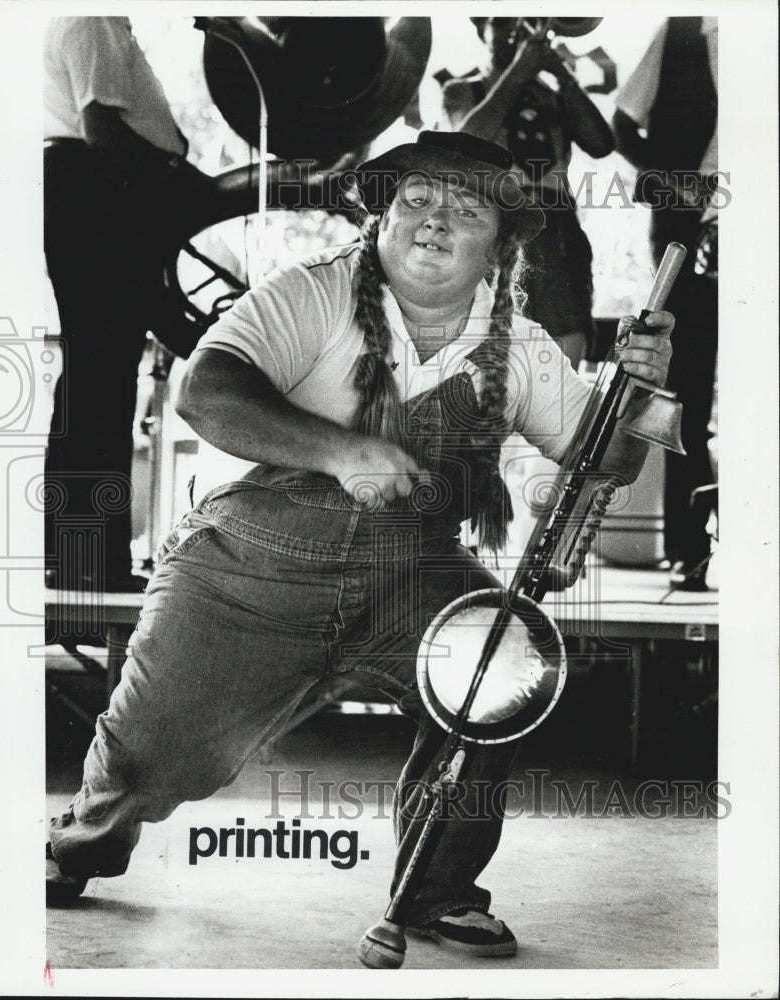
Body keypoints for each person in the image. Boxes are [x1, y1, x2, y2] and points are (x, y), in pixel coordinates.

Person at [46, 131, 673, 958]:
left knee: (498, 662)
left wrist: (639, 389)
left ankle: (437, 891)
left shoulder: (519, 345)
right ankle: (82, 840)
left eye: (466, 208)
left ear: (499, 243)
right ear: (383, 216)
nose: (435, 220)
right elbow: (206, 390)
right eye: (417, 198)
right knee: (156, 759)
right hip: (247, 567)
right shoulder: (311, 292)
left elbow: (602, 461)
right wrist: (341, 451)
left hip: (408, 572)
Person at [43, 16, 210, 593]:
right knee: (102, 380)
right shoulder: (94, 16)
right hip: (97, 191)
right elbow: (102, 129)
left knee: (96, 377)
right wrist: (180, 177)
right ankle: (89, 562)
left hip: (89, 190)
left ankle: (79, 558)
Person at [440, 17, 614, 370]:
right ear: (482, 30)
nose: (517, 30)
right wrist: (519, 72)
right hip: (493, 222)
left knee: (565, 339)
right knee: (488, 340)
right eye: (503, 22)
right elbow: (464, 144)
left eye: (527, 21)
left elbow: (601, 143)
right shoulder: (461, 90)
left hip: (556, 228)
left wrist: (564, 77)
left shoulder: (553, 95)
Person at [612, 16, 718, 590]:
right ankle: (688, 547)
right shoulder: (679, 30)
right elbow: (623, 123)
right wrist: (675, 185)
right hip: (685, 232)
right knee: (684, 394)